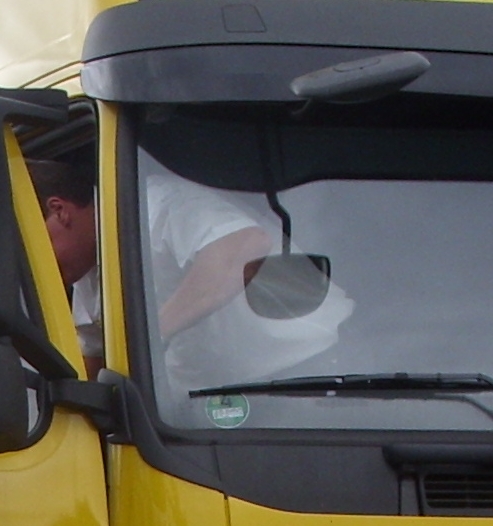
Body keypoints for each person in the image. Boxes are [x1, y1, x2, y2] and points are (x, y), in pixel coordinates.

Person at [29, 150, 349, 392]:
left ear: (59, 211)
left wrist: (152, 336)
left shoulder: (151, 204)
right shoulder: (86, 275)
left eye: (31, 248)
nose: (34, 266)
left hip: (310, 374)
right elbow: (94, 367)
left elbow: (243, 248)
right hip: (213, 404)